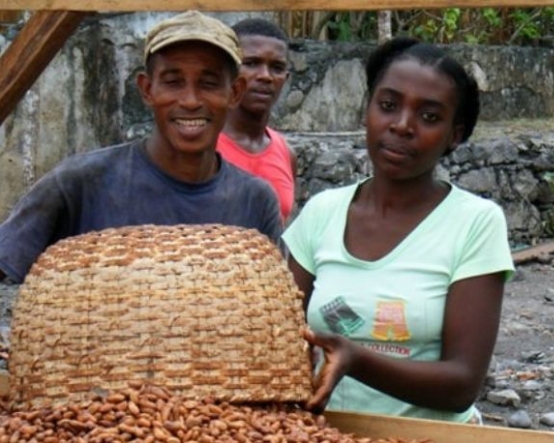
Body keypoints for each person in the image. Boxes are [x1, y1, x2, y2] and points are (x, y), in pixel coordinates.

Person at [282, 37, 514, 423]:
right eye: (388, 106)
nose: (402, 125)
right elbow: (283, 338)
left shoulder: (475, 222)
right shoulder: (323, 212)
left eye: (429, 117)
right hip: (328, 431)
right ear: (367, 110)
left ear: (454, 135)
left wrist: (356, 361)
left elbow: (462, 384)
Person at [0, 11, 284, 284]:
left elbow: (274, 309)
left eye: (208, 84)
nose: (190, 100)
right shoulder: (81, 182)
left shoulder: (254, 200)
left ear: (234, 93)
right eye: (173, 82)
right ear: (147, 90)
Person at [217, 18, 297, 223]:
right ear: (227, 70)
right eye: (251, 63)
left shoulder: (286, 153)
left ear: (286, 78)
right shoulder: (204, 147)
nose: (265, 76)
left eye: (277, 67)